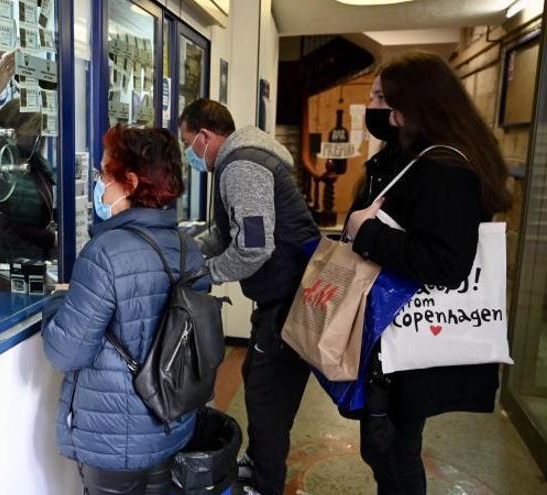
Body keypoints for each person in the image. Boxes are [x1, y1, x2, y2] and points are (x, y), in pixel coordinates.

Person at [345, 51, 512, 495]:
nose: (378, 109)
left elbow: (446, 264)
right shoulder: (412, 156)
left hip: (411, 338)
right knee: (389, 449)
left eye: (386, 99)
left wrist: (365, 233)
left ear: (415, 106)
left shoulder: (445, 170)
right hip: (398, 333)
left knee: (393, 452)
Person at [41, 126, 208, 495]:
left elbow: (65, 352)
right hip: (171, 421)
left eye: (104, 173)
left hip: (115, 436)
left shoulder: (105, 253)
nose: (100, 183)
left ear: (129, 182)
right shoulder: (187, 248)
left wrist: (58, 301)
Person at [178, 99, 320, 495]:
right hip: (282, 298)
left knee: (266, 400)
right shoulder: (242, 157)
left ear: (205, 136)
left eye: (188, 142)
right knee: (255, 379)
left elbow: (254, 246)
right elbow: (227, 234)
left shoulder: (240, 166)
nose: (188, 152)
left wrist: (207, 275)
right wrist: (185, 250)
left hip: (289, 304)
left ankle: (265, 484)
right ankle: (258, 464)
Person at [0, 99, 57, 263]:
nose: (36, 139)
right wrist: (49, 239)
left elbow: (42, 211)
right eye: (31, 133)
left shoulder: (36, 165)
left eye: (38, 133)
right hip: (8, 266)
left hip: (38, 258)